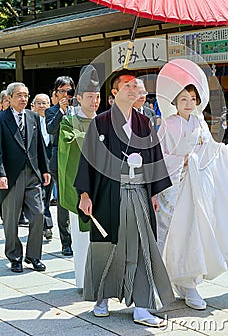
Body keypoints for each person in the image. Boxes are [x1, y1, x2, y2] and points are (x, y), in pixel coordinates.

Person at [75, 69, 174, 327]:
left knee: (142, 246)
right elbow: (88, 159)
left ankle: (142, 306)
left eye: (136, 86)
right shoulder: (102, 122)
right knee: (109, 245)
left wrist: (153, 192)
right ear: (115, 93)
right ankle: (102, 297)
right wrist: (85, 194)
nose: (134, 89)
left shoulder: (145, 123)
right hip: (109, 192)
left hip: (139, 191)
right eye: (127, 86)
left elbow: (153, 158)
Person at [155, 59, 228, 310]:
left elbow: (212, 151)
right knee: (171, 234)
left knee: (194, 233)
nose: (188, 103)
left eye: (192, 98)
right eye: (183, 99)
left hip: (195, 186)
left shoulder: (199, 123)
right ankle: (167, 280)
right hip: (173, 186)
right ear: (174, 102)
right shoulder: (168, 124)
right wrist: (183, 160)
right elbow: (159, 156)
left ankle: (190, 282)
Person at [0, 82, 51, 273]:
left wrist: (45, 170)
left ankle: (34, 256)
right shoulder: (2, 119)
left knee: (38, 214)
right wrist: (1, 174)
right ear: (10, 98)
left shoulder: (33, 117)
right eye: (20, 95)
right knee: (11, 219)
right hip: (11, 176)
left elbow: (39, 146)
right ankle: (15, 257)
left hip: (32, 174)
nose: (24, 99)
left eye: (26, 95)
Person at [58, 65, 101, 290]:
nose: (95, 101)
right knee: (83, 237)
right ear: (80, 98)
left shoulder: (105, 120)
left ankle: (104, 280)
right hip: (81, 188)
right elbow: (70, 154)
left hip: (103, 188)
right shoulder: (69, 122)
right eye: (90, 97)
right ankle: (85, 280)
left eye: (97, 97)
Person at [45, 76, 75, 256]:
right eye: (62, 91)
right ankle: (66, 241)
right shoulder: (52, 111)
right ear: (55, 93)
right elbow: (51, 130)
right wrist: (61, 111)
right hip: (59, 159)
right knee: (63, 201)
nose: (65, 95)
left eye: (68, 91)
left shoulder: (79, 109)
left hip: (77, 158)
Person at [32, 93, 54, 240]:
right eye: (39, 103)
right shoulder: (30, 121)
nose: (42, 106)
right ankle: (47, 224)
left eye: (45, 103)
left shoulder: (54, 120)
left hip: (51, 164)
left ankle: (44, 224)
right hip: (37, 165)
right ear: (33, 106)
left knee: (47, 195)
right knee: (41, 195)